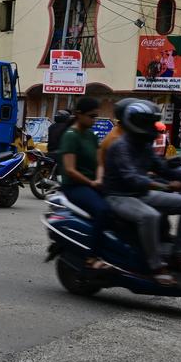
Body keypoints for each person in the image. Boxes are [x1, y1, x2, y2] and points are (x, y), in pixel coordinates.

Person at [103, 100, 181, 286]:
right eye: (146, 122)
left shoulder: (144, 145)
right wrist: (165, 186)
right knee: (150, 216)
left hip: (140, 194)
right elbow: (132, 178)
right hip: (119, 196)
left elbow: (161, 167)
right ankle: (156, 267)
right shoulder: (120, 146)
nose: (151, 127)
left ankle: (178, 255)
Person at [59, 97, 109, 261]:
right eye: (91, 116)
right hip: (75, 186)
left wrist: (100, 178)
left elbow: (100, 162)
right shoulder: (71, 136)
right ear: (79, 114)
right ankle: (92, 256)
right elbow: (70, 170)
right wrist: (92, 182)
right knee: (102, 210)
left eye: (95, 116)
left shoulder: (91, 135)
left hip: (93, 184)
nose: (93, 120)